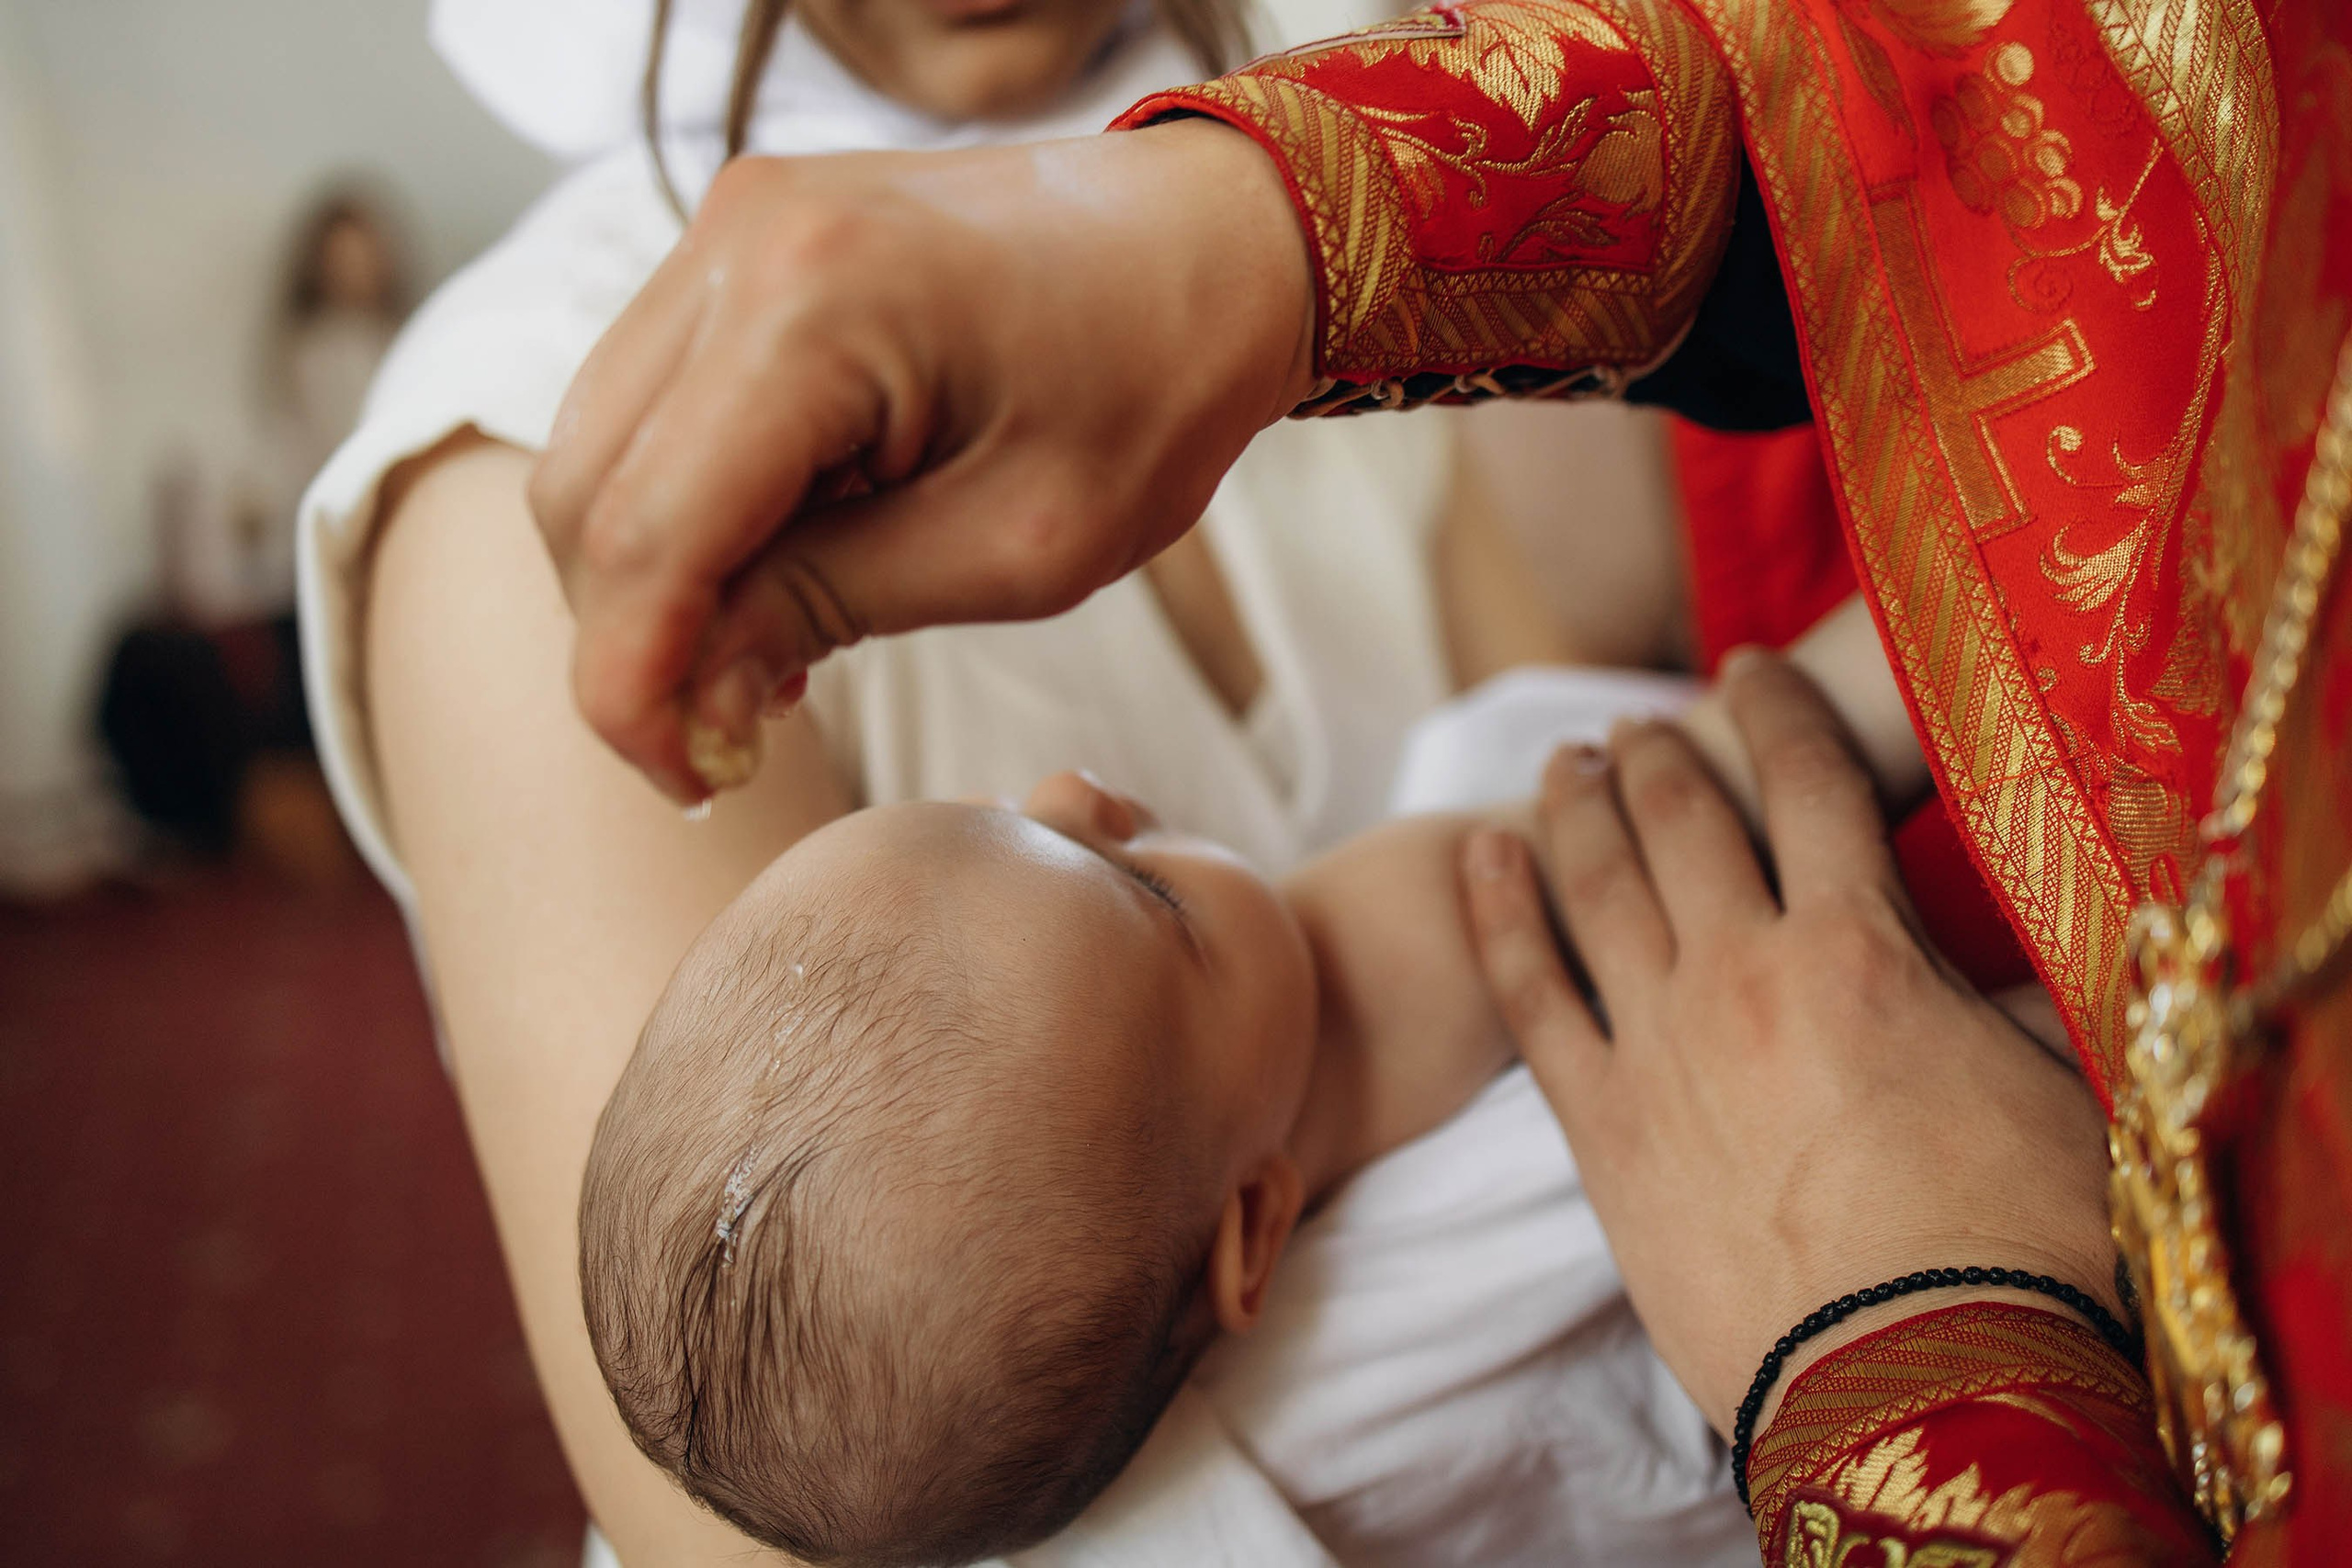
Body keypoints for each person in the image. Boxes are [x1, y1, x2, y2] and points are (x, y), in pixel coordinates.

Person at [526, 0, 2352, 1558]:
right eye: (1138, 893)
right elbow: (1906, 1105)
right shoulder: (1453, 1271)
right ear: (1251, 1233)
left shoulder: (1237, 1064)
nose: (1086, 788)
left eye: (1009, 814)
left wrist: (1274, 234)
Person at [296, 0, 1681, 1562]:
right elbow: (779, 1529)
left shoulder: (1380, 112)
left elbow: (1574, 703)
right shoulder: (534, 452)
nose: (1084, 794)